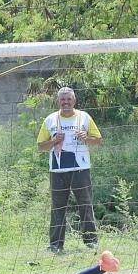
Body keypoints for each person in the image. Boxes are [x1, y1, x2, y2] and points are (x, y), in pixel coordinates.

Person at [36, 87, 102, 254]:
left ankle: (91, 242)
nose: (66, 102)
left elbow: (98, 141)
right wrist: (53, 141)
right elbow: (40, 146)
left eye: (69, 99)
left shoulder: (84, 117)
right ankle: (56, 245)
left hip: (81, 169)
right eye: (62, 100)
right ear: (58, 102)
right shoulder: (50, 119)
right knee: (58, 208)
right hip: (57, 171)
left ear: (74, 100)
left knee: (85, 205)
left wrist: (86, 138)